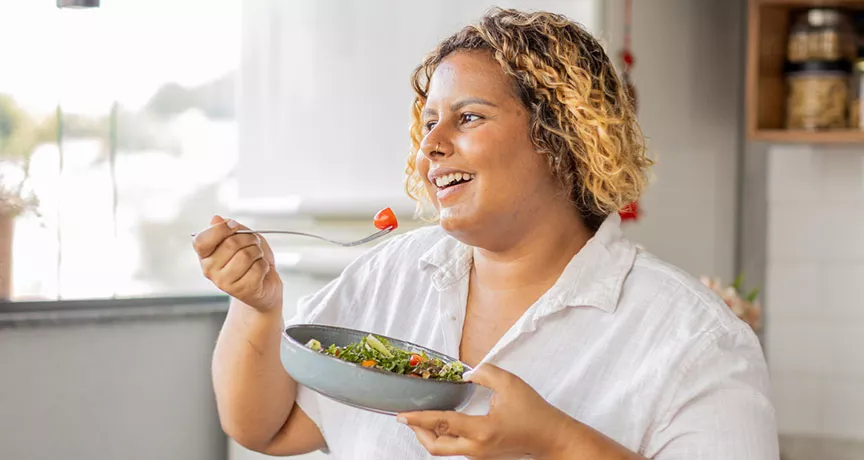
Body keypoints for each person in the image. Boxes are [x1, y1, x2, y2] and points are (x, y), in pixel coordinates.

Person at [192, 8, 779, 460]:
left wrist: (554, 440)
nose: (431, 145)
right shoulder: (388, 278)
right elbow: (266, 427)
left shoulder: (695, 339)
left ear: (562, 139)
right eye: (428, 122)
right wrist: (259, 308)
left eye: (467, 117)